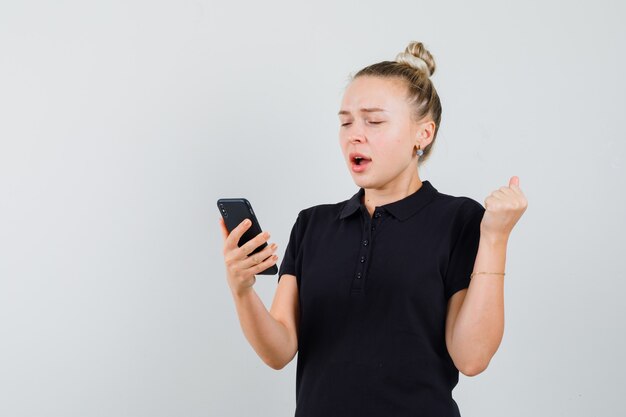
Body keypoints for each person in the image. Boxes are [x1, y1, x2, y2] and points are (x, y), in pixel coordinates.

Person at [219, 41, 528, 417]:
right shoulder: (312, 224)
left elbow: (472, 357)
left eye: (374, 121)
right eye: (346, 121)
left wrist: (496, 237)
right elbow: (279, 350)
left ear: (423, 134)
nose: (354, 134)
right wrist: (242, 289)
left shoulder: (459, 220)